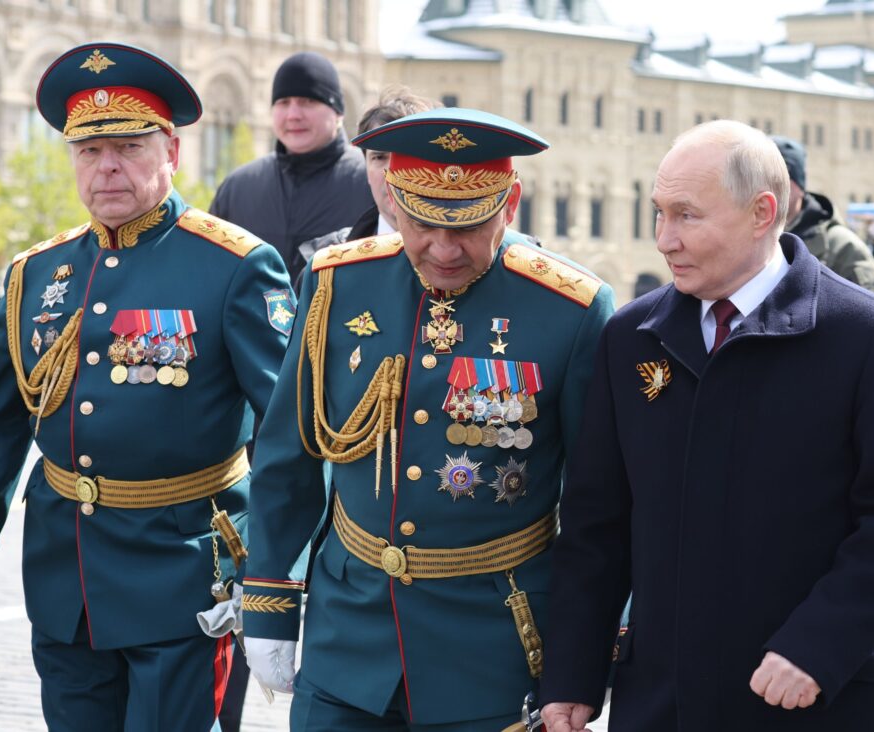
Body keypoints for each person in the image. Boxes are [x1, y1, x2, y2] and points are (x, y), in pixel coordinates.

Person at [0, 42, 292, 731]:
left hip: (185, 580)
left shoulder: (235, 267)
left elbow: (287, 438)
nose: (107, 168)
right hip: (67, 580)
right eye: (88, 152)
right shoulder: (37, 275)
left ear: (172, 153)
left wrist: (275, 582)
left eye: (128, 147)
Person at [539, 120, 874, 732]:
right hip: (663, 701)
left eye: (687, 216)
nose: (663, 239)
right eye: (658, 214)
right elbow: (598, 524)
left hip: (812, 699)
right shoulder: (630, 337)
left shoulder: (870, 338)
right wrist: (573, 673)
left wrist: (819, 645)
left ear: (762, 213)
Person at [239, 108, 616, 730]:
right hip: (346, 637)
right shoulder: (338, 284)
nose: (443, 249)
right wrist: (271, 603)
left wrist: (579, 660)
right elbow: (288, 457)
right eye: (421, 223)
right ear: (391, 199)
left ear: (511, 204)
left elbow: (595, 506)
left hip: (489, 649)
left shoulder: (571, 309)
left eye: (469, 227)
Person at [209, 51, 374, 281]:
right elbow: (212, 271)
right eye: (283, 102)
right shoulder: (238, 188)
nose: (293, 115)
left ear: (338, 112)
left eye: (308, 102)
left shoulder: (370, 182)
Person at [296, 85, 439, 267]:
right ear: (366, 168)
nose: (391, 172)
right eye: (379, 157)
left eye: (406, 158)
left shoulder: (460, 260)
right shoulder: (325, 264)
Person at [772, 135, 874, 297]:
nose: (769, 189)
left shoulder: (841, 246)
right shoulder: (753, 238)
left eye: (778, 179)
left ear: (798, 184)